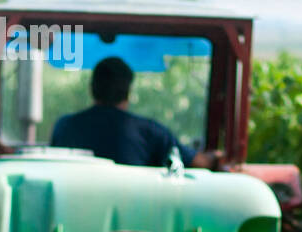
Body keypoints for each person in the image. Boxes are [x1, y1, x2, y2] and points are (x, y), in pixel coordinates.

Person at [49, 56, 224, 168]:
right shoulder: (151, 132)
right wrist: (216, 158)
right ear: (128, 92)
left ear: (92, 89)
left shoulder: (64, 127)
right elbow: (199, 163)